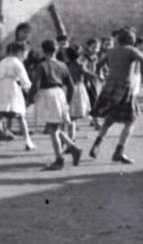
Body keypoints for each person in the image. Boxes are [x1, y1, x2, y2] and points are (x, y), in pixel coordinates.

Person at [89, 29, 143, 164]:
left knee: (110, 118)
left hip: (110, 87)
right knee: (131, 120)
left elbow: (98, 65)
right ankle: (119, 151)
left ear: (118, 40)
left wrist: (100, 75)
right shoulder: (131, 50)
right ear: (131, 41)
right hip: (125, 88)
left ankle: (97, 143)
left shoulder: (111, 51)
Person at [29, 40, 81, 170]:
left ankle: (60, 159)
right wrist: (67, 102)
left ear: (43, 50)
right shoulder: (63, 65)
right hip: (60, 94)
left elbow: (36, 85)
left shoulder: (42, 65)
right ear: (56, 51)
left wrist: (29, 98)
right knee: (54, 127)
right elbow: (71, 86)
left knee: (52, 129)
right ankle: (73, 148)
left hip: (48, 96)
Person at [0, 42, 35, 151]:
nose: (25, 55)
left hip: (1, 89)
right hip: (12, 89)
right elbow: (24, 80)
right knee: (21, 115)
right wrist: (32, 91)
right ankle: (28, 141)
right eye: (25, 52)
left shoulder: (3, 61)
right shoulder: (17, 63)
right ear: (19, 52)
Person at [64, 45, 95, 140]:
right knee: (72, 117)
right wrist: (93, 66)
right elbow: (90, 75)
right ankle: (71, 138)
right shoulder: (80, 65)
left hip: (67, 88)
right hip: (78, 88)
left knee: (69, 116)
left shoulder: (66, 65)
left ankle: (70, 139)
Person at [83, 38, 102, 129]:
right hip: (87, 82)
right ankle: (95, 122)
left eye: (97, 48)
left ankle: (94, 121)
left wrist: (101, 74)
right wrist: (87, 80)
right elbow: (83, 69)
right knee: (92, 102)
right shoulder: (84, 57)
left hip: (95, 82)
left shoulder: (96, 57)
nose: (96, 50)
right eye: (94, 47)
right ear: (88, 47)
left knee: (94, 101)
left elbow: (98, 67)